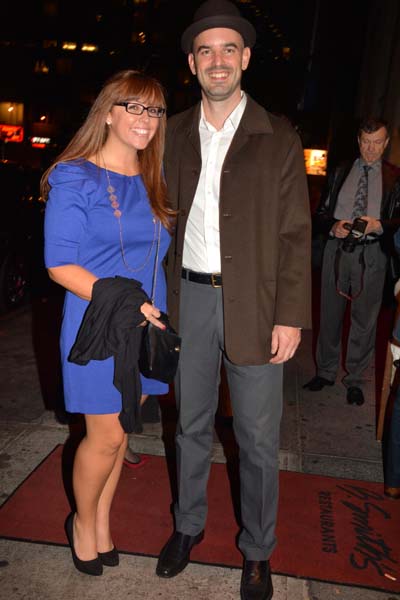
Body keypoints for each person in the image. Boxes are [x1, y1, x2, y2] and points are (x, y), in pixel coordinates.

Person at [155, 2, 312, 599]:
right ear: (192, 63)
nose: (217, 61)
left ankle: (257, 551)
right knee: (189, 425)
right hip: (188, 299)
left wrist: (291, 315)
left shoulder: (278, 137)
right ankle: (188, 526)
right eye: (205, 51)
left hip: (254, 305)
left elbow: (296, 235)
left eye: (228, 50)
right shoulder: (170, 132)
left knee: (255, 439)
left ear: (245, 59)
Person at [42, 70, 174, 575]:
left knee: (123, 431)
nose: (145, 119)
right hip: (98, 323)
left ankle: (101, 522)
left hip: (148, 326)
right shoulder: (75, 174)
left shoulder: (152, 176)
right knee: (104, 437)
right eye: (134, 107)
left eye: (155, 110)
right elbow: (59, 263)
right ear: (108, 112)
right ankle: (81, 521)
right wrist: (127, 304)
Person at [304, 118, 400, 406]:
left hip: (371, 254)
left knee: (364, 320)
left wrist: (379, 225)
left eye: (377, 143)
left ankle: (355, 379)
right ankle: (325, 371)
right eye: (366, 142)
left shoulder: (395, 177)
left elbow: (399, 219)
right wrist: (332, 226)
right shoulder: (339, 170)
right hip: (337, 250)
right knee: (329, 314)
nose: (371, 149)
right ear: (359, 141)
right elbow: (320, 213)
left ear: (386, 144)